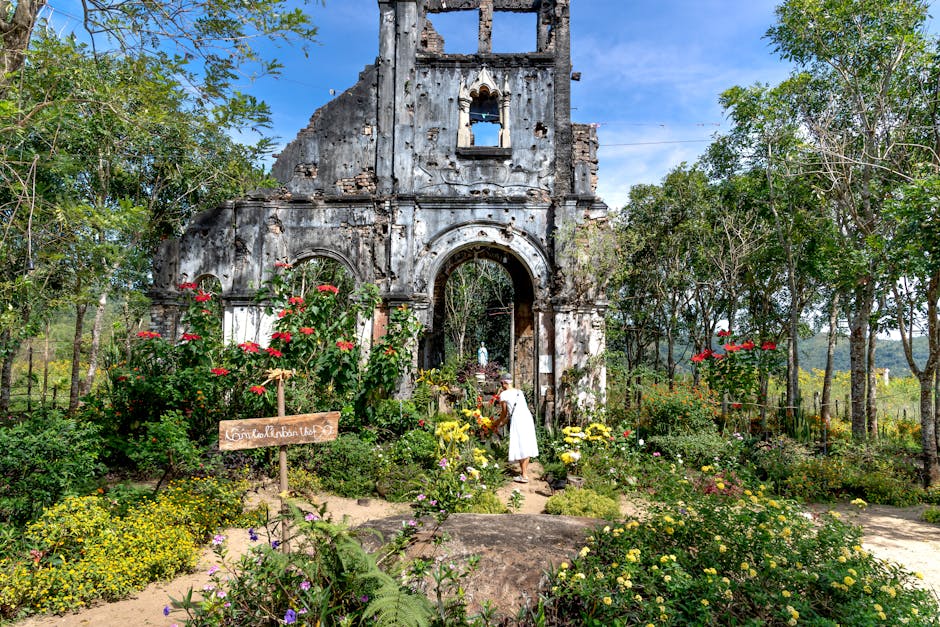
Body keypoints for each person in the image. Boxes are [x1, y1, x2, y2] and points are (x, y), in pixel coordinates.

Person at [497, 374, 538, 483]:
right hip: (527, 418)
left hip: (518, 420)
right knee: (526, 444)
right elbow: (515, 410)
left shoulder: (503, 394)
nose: (501, 386)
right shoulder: (520, 392)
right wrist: (504, 421)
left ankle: (524, 475)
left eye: (501, 383)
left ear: (504, 383)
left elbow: (504, 413)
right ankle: (524, 473)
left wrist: (497, 422)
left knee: (520, 444)